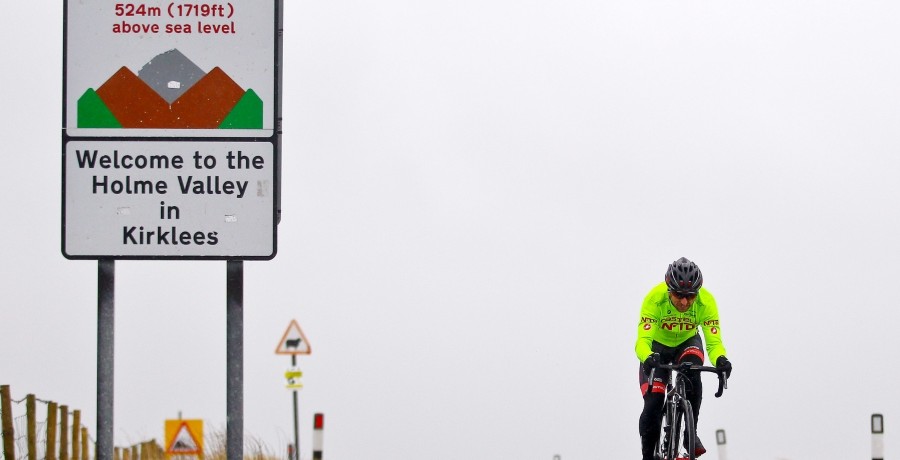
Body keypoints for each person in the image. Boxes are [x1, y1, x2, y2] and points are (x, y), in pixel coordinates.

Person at [635, 257, 732, 459]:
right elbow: (642, 341)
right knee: (653, 404)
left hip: (687, 343)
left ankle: (691, 432)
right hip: (657, 348)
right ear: (669, 290)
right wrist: (647, 357)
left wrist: (721, 360)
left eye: (690, 296)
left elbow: (713, 343)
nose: (685, 302)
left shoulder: (706, 302)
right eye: (679, 295)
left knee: (693, 373)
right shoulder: (655, 299)